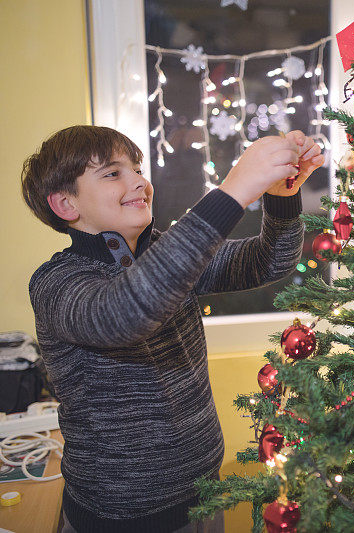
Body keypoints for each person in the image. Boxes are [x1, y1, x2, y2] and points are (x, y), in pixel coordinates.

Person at [21, 125, 324, 533]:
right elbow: (126, 311)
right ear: (65, 205)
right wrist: (230, 193)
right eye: (113, 174)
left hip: (203, 490)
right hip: (121, 515)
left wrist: (282, 199)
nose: (139, 182)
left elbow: (268, 262)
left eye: (137, 168)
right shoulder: (56, 282)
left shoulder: (164, 251)